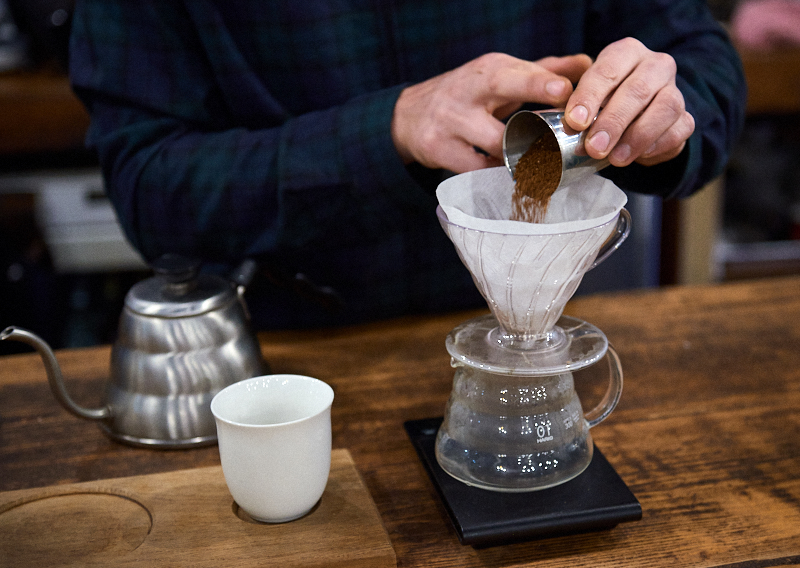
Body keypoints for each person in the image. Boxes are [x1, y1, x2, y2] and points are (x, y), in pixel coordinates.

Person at [68, 0, 747, 330]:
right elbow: (148, 187)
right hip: (290, 365)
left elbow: (702, 58)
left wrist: (662, 110)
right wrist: (384, 133)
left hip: (538, 327)